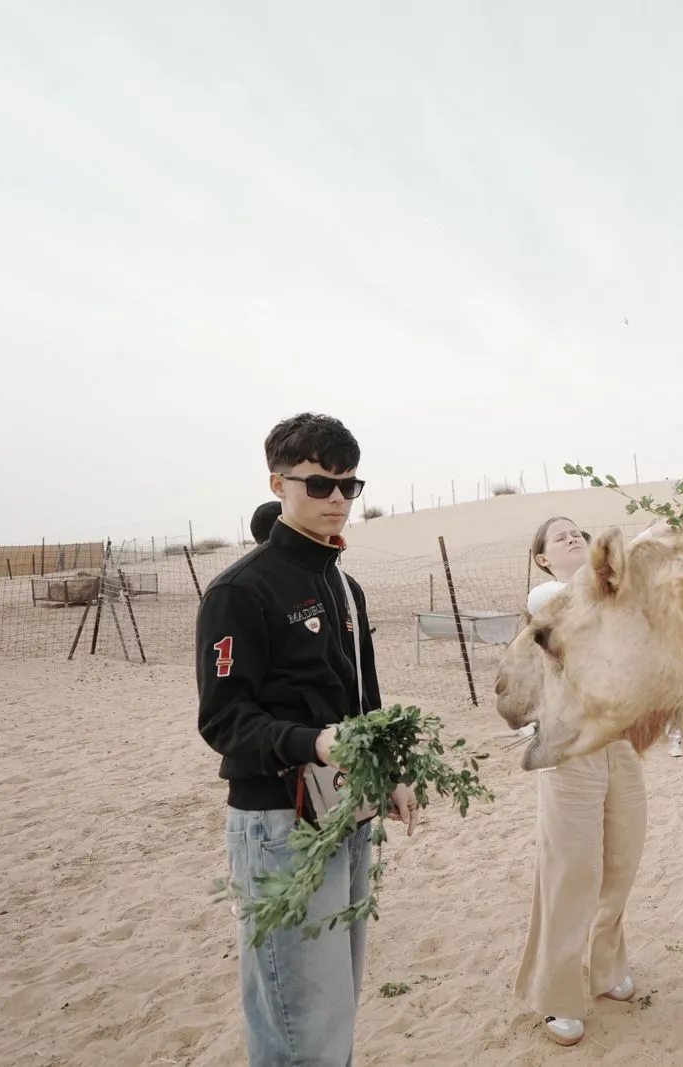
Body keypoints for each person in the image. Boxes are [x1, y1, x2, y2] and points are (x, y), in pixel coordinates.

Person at [197, 412, 418, 1065]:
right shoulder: (240, 589)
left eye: (350, 486)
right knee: (298, 1019)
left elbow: (366, 704)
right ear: (278, 482)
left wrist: (389, 771)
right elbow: (224, 718)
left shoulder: (345, 587)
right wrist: (316, 743)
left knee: (335, 1006)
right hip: (276, 821)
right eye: (321, 485)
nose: (339, 501)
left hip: (346, 812)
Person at [514, 516, 649, 1047]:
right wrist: (639, 545)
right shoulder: (547, 594)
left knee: (620, 860)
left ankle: (607, 969)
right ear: (544, 558)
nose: (574, 538)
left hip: (618, 741)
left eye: (580, 533)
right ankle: (557, 995)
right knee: (572, 869)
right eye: (560, 537)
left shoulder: (611, 595)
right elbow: (583, 595)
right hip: (569, 747)